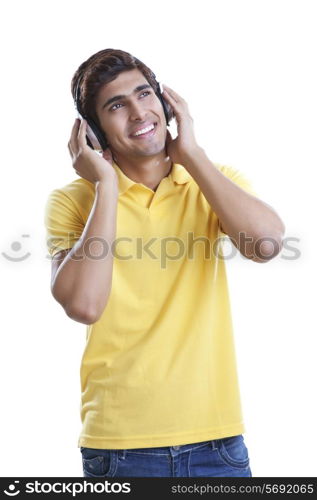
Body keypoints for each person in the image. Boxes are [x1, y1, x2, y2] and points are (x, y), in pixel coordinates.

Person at [44, 48, 285, 478]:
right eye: (116, 106)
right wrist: (106, 186)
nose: (139, 113)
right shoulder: (73, 201)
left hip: (218, 442)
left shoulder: (211, 180)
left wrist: (191, 154)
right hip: (119, 448)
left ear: (166, 104)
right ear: (94, 131)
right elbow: (84, 306)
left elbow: (265, 245)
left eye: (144, 94)